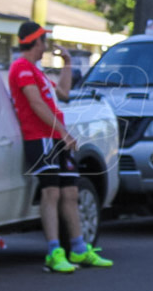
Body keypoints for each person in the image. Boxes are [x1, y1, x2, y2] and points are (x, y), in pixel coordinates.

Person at [9, 21, 113, 272]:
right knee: (51, 193)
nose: (46, 45)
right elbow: (35, 104)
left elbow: (63, 93)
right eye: (43, 40)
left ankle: (78, 249)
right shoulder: (21, 68)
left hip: (54, 137)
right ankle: (54, 251)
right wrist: (63, 132)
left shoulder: (36, 70)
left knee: (70, 192)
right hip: (40, 137)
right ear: (36, 41)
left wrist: (67, 64)